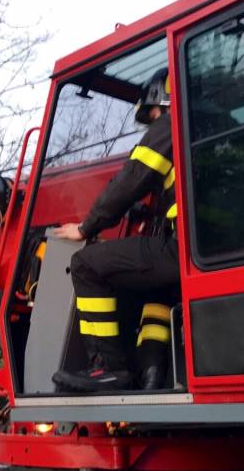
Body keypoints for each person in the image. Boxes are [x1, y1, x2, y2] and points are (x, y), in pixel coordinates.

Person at [51, 67, 179, 393]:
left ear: (163, 101)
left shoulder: (172, 125)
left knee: (86, 264)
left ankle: (108, 368)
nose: (151, 121)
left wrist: (86, 227)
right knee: (156, 293)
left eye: (151, 113)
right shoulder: (214, 132)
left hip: (179, 248)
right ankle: (152, 378)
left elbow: (130, 181)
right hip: (208, 252)